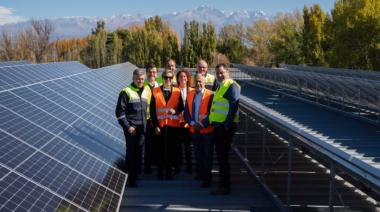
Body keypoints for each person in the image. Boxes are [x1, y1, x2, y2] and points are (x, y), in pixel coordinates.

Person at [116, 69, 151, 187]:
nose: (140, 81)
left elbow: (148, 110)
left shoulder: (146, 90)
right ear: (133, 78)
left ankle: (137, 174)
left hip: (142, 128)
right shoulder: (126, 92)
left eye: (142, 79)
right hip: (131, 129)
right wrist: (128, 127)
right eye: (138, 79)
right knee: (131, 153)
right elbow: (119, 113)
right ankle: (131, 179)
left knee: (139, 152)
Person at [209, 63, 240, 195]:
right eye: (217, 73)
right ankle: (223, 181)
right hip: (218, 126)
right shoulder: (220, 86)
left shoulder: (232, 85)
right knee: (221, 155)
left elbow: (233, 107)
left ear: (228, 71)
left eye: (222, 72)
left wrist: (226, 125)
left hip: (224, 127)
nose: (219, 75)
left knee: (223, 155)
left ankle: (225, 186)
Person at [150, 69, 183, 180]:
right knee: (160, 150)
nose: (168, 80)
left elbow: (182, 107)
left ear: (172, 78)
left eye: (170, 78)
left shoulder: (177, 91)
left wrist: (175, 111)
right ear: (162, 78)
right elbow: (152, 111)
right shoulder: (155, 91)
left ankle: (169, 173)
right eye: (166, 77)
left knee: (171, 150)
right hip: (160, 126)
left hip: (173, 126)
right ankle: (160, 172)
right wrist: (156, 126)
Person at [184, 73, 214, 188]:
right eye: (196, 81)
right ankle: (200, 174)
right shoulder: (190, 94)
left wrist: (201, 124)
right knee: (198, 153)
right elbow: (186, 112)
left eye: (201, 81)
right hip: (194, 129)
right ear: (193, 82)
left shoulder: (211, 95)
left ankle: (207, 178)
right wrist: (192, 123)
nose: (198, 83)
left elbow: (212, 112)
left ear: (205, 82)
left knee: (207, 155)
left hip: (207, 130)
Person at [175, 69, 193, 174]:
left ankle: (189, 167)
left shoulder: (192, 90)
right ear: (177, 78)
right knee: (177, 146)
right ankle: (177, 166)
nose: (183, 78)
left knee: (188, 146)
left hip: (187, 123)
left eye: (185, 76)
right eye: (181, 76)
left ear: (187, 78)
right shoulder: (174, 90)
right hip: (177, 122)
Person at [143, 64, 160, 174]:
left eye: (154, 72)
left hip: (158, 120)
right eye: (150, 72)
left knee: (157, 143)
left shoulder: (160, 86)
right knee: (148, 145)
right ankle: (147, 167)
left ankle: (156, 163)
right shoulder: (142, 86)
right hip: (147, 120)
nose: (152, 74)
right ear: (147, 73)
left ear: (156, 73)